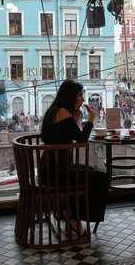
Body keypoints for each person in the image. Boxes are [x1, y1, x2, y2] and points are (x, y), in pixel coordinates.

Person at [40, 80, 110, 235]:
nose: (83, 99)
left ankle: (67, 210)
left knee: (90, 171)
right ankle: (73, 218)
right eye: (80, 95)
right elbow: (82, 139)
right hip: (57, 171)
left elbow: (64, 133)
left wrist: (75, 119)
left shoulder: (56, 110)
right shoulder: (62, 112)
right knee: (100, 178)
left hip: (52, 167)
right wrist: (91, 118)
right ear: (70, 96)